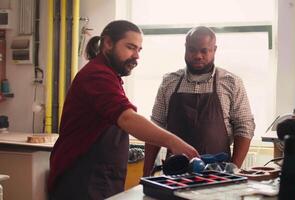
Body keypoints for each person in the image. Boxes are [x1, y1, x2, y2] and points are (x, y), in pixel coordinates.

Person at [48, 20, 198, 200]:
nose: (136, 56)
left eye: (139, 50)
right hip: (82, 180)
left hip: (100, 179)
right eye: (130, 47)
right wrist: (174, 142)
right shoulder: (97, 75)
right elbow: (127, 119)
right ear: (108, 43)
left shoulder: (111, 76)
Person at [143, 26, 255, 176]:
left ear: (214, 50)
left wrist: (233, 170)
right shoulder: (169, 82)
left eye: (204, 50)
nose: (198, 56)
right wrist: (146, 173)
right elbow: (155, 126)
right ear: (185, 48)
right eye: (192, 50)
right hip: (176, 173)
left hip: (218, 174)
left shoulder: (231, 82)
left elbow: (244, 126)